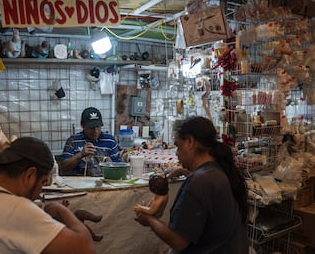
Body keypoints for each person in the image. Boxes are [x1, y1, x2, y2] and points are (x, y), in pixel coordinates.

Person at [0, 137, 95, 254]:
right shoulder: (15, 208)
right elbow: (86, 250)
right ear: (30, 174)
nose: (40, 192)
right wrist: (62, 210)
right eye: (43, 183)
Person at [134, 116, 249, 254]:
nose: (176, 153)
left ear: (190, 142)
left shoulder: (200, 181)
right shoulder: (218, 171)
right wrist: (185, 171)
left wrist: (149, 219)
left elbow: (178, 241)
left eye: (178, 145)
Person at [61, 107, 120, 176]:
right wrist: (80, 155)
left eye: (98, 127)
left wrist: (110, 163)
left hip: (104, 181)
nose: (95, 131)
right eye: (91, 128)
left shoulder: (110, 141)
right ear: (82, 125)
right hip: (79, 182)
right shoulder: (73, 141)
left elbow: (119, 167)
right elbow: (64, 167)